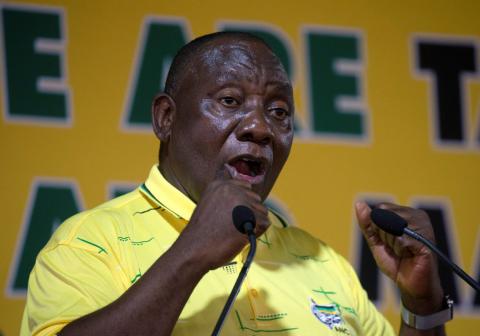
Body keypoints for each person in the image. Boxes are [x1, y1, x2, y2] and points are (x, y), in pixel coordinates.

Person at [21, 31, 447, 335]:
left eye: (279, 111)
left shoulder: (322, 263)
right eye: (230, 101)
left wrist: (422, 307)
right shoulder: (88, 243)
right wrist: (190, 253)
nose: (261, 128)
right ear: (165, 118)